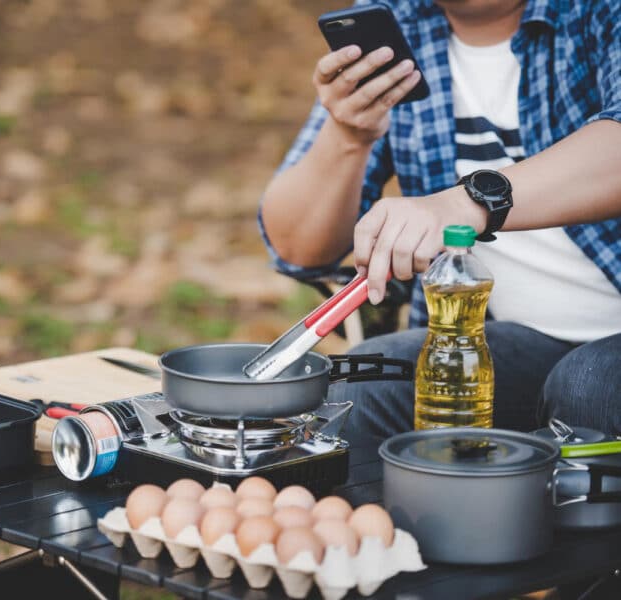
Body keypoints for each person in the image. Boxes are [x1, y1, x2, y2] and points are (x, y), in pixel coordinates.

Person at [259, 0, 621, 443]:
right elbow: (297, 248)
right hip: (515, 338)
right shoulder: (398, 25)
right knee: (359, 383)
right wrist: (349, 137)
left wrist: (469, 202)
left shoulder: (599, 12)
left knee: (590, 385)